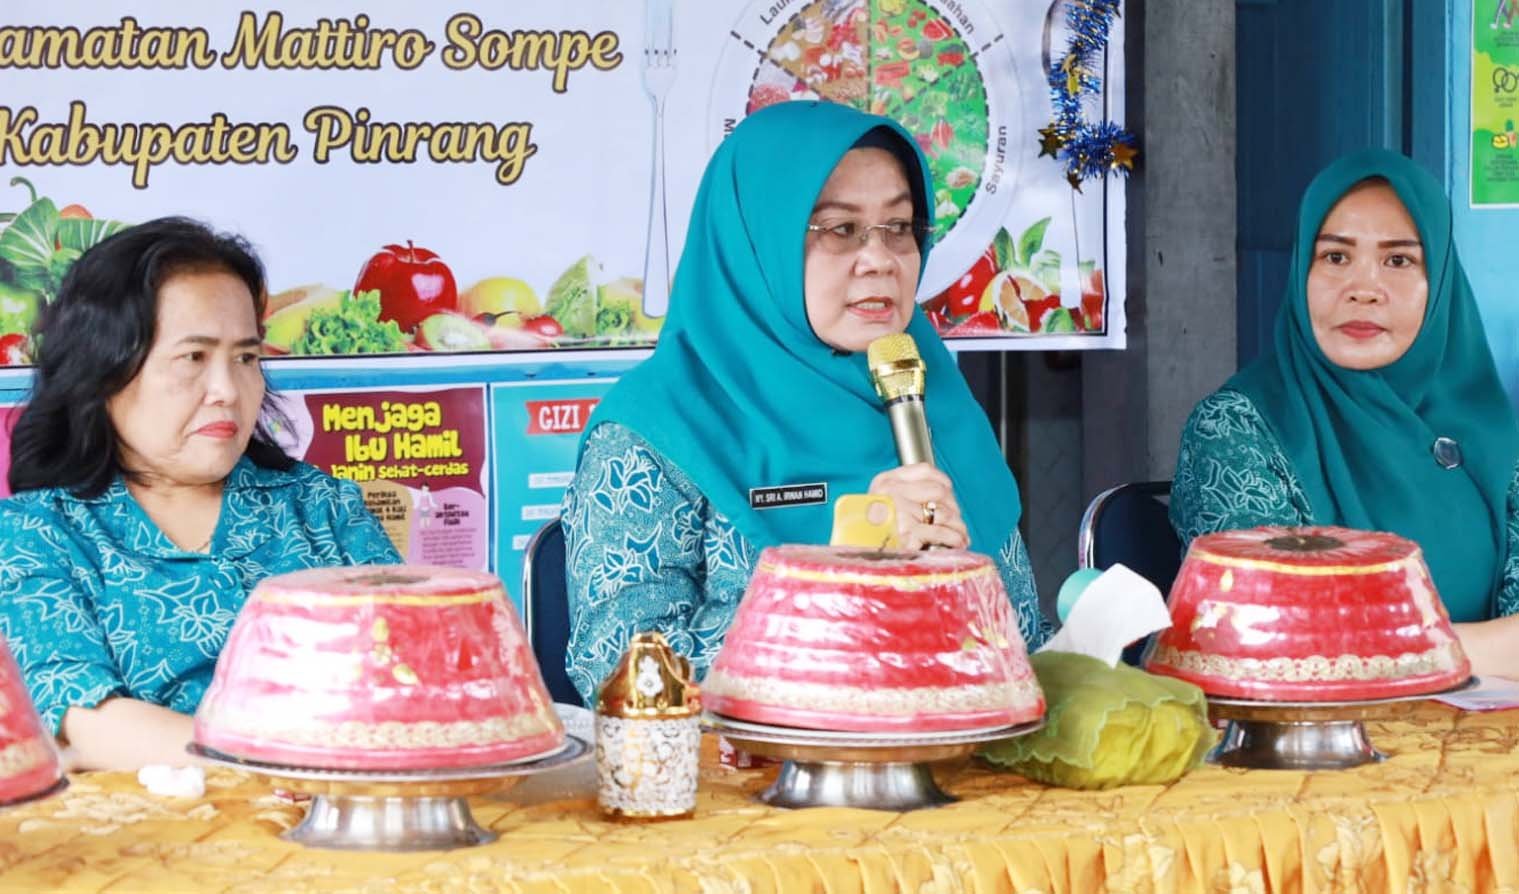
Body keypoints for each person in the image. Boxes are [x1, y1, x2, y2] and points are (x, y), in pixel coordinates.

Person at [561, 102, 1050, 705]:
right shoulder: (657, 429)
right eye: (841, 230)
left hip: (961, 753)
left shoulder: (922, 390)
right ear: (758, 242)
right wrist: (844, 575)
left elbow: (1023, 641)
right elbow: (623, 679)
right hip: (758, 767)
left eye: (899, 227)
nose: (881, 259)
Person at [0, 217, 402, 771]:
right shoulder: (35, 533)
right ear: (105, 371)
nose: (227, 391)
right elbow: (86, 722)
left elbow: (414, 682)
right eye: (194, 357)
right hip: (149, 824)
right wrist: (300, 765)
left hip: (347, 813)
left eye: (245, 358)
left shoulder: (323, 508)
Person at [1170, 149, 1519, 677]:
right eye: (1335, 257)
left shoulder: (1489, 431)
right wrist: (1480, 648)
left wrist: (1390, 649)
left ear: (1440, 283)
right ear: (1302, 271)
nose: (1363, 290)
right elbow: (1273, 638)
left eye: (1398, 261)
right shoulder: (1235, 429)